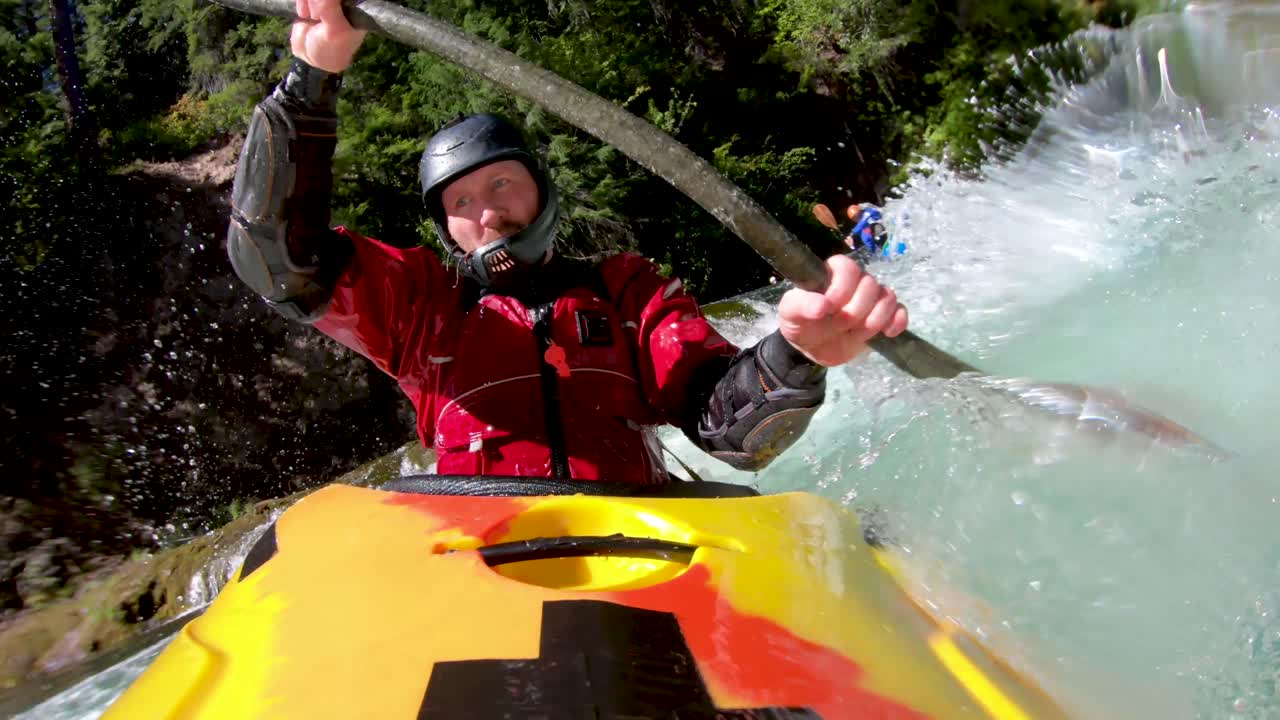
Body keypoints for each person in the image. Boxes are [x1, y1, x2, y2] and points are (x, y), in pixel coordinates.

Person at [225, 0, 908, 485]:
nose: (487, 214)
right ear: (446, 229)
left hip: (635, 546)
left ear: (542, 191)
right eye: (461, 203)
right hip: (485, 556)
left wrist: (795, 355)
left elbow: (724, 425)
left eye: (501, 186)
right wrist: (310, 82)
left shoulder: (627, 290)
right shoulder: (422, 307)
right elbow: (276, 257)